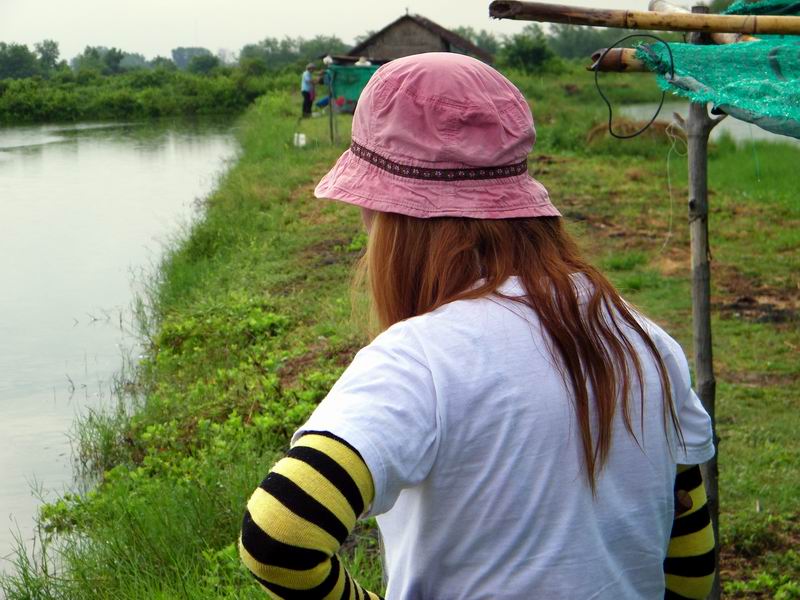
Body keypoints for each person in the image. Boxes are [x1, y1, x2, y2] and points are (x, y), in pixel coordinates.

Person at [239, 53, 716, 599]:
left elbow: (280, 537)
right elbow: (691, 565)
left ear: (393, 219)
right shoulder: (643, 340)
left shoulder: (422, 360)